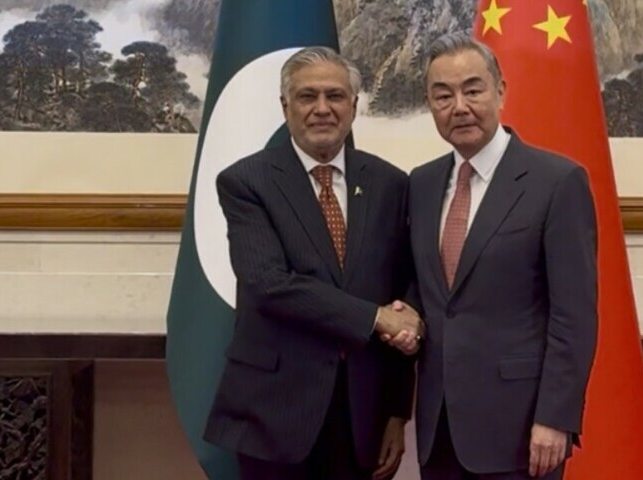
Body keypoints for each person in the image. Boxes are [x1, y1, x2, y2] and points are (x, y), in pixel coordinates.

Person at [203, 46, 423, 480]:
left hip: (363, 415)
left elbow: (403, 297)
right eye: (307, 97)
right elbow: (270, 284)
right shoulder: (246, 183)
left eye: (335, 96)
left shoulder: (391, 184)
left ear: (354, 106)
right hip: (275, 414)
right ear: (285, 106)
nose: (322, 108)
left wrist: (398, 413)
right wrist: (374, 318)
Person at [394, 33, 598, 480]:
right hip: (440, 428)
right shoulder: (422, 185)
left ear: (501, 90)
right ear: (429, 105)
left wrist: (556, 417)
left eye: (473, 89)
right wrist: (403, 311)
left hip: (523, 431)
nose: (459, 106)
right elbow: (429, 288)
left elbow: (574, 315)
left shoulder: (557, 182)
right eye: (442, 95)